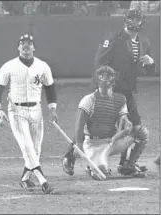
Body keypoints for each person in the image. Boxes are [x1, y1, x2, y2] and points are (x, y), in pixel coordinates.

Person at [0, 34, 58, 194]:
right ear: (18, 47)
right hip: (16, 111)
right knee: (27, 146)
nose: (26, 47)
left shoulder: (43, 66)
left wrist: (52, 109)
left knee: (35, 149)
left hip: (36, 111)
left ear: (34, 47)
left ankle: (25, 178)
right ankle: (43, 181)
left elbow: (50, 89)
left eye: (29, 44)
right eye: (23, 44)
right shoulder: (8, 66)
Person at [93, 8, 156, 176]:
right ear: (126, 20)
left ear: (142, 22)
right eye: (132, 19)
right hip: (112, 92)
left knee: (134, 130)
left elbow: (149, 72)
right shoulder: (114, 38)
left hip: (128, 92)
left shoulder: (144, 41)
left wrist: (151, 62)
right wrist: (105, 89)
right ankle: (74, 156)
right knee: (103, 130)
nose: (135, 22)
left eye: (137, 19)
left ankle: (126, 164)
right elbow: (100, 63)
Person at [61, 65, 146, 180]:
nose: (105, 79)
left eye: (109, 76)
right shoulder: (88, 100)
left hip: (112, 142)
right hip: (92, 143)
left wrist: (126, 125)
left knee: (141, 132)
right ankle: (91, 165)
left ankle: (128, 165)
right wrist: (80, 147)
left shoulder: (120, 99)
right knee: (101, 173)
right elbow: (79, 125)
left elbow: (124, 121)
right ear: (97, 80)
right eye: (102, 76)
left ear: (114, 80)